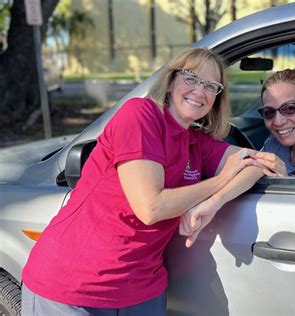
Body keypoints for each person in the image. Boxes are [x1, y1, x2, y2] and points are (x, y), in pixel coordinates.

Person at [21, 48, 264, 316]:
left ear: (217, 98)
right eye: (191, 78)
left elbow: (259, 163)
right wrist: (220, 180)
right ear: (171, 81)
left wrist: (213, 203)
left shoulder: (198, 142)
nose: (200, 90)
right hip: (73, 287)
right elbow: (151, 208)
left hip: (142, 290)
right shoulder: (140, 115)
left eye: (211, 86)